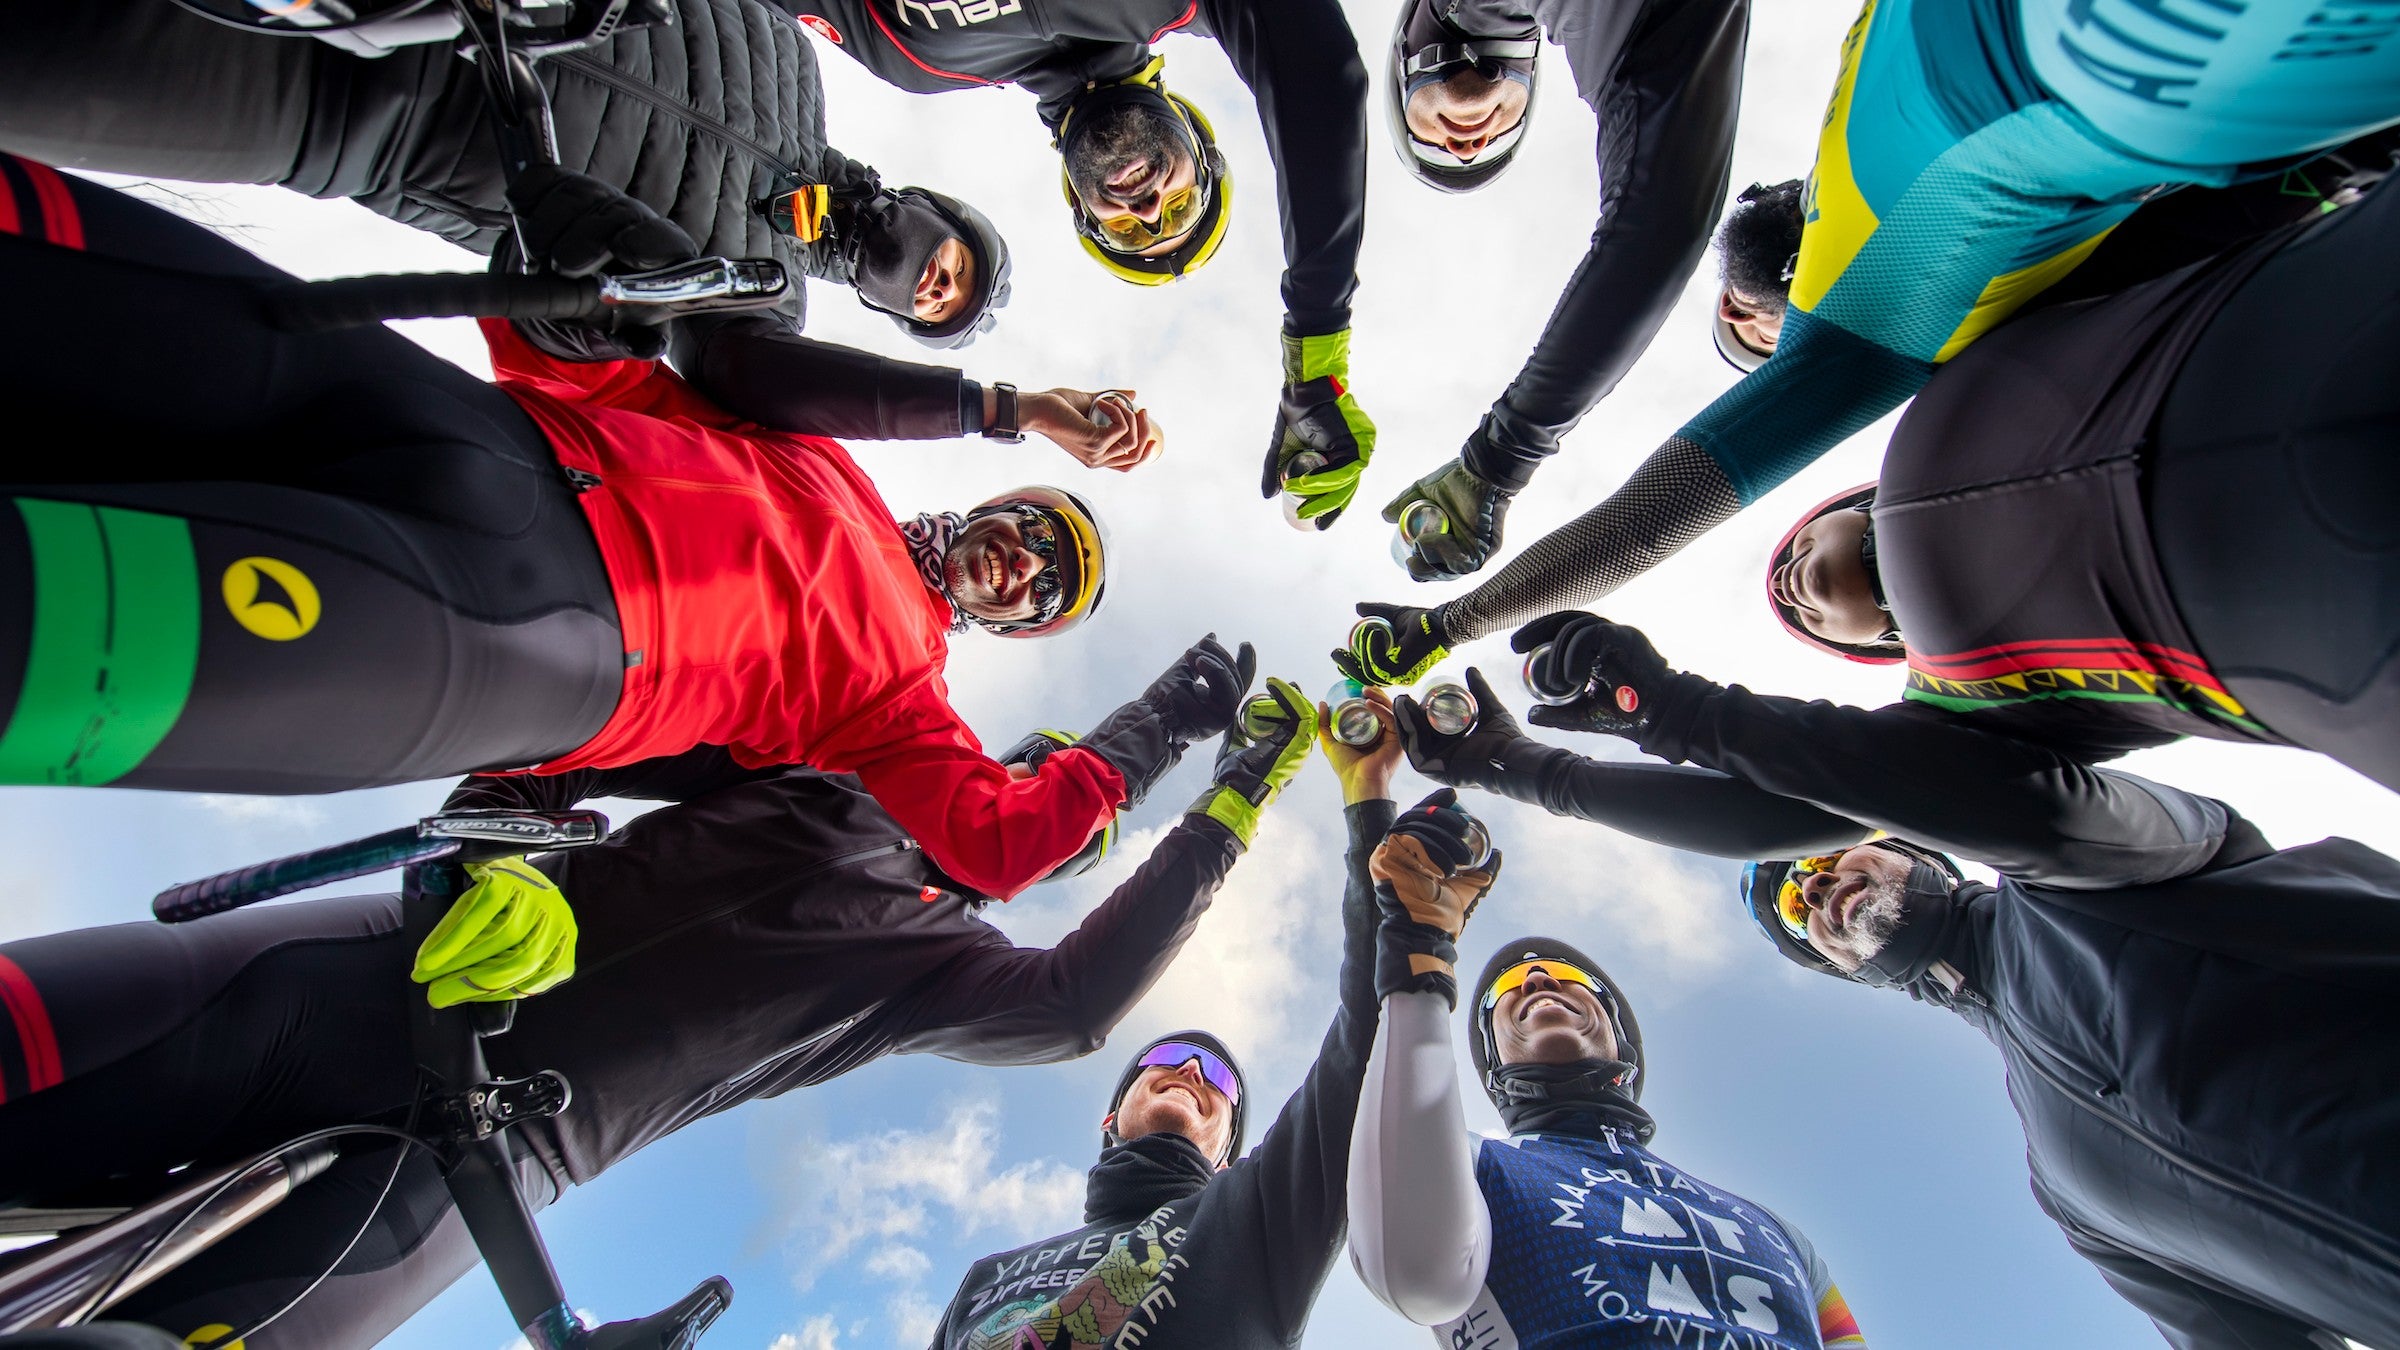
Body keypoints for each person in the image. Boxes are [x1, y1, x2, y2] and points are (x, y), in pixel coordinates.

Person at [0, 640, 1307, 1350]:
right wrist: (508, 824)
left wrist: (1212, 781)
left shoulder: (938, 971)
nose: (1033, 836)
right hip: (358, 971)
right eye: (1031, 802)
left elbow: (1080, 1003)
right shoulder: (824, 762)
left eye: (1059, 849)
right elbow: (602, 722)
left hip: (477, 1167)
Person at [0, 165, 1142, 900]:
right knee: (81, 298)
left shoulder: (904, 699)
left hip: (535, 641)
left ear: (1012, 620)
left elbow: (995, 847)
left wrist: (1156, 736)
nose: (1027, 562)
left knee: (50, 620)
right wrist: (572, 299)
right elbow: (615, 383)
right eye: (1037, 533)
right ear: (1001, 503)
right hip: (476, 436)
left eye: (1045, 586)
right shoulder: (827, 460)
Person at [1335, 0, 2400, 687]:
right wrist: (1460, 620)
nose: (1745, 312)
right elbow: (1647, 526)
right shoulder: (1860, 343)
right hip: (2171, 67)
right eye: (1747, 340)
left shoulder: (1843, 103)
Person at [1388, 627, 2400, 1349]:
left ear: (1918, 845)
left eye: (1830, 854)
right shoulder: (2076, 1191)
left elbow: (1995, 800)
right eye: (1796, 910)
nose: (1818, 883)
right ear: (1843, 970)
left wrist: (1627, 734)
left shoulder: (2116, 871)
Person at [1755, 170, 2400, 787]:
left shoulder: (1949, 377)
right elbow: (1835, 807)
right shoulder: (1958, 709)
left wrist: (2334, 160)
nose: (1786, 589)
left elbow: (2168, 239)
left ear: (1850, 503)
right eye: (1805, 625)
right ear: (1876, 648)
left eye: (1790, 549)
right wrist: (1664, 712)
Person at [0, 0, 1016, 364]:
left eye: (937, 305)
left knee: (44, 67)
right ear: (939, 208)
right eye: (957, 264)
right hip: (422, 2)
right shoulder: (789, 54)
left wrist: (585, 322)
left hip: (350, 123)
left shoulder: (763, 304)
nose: (936, 280)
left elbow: (572, 347)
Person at [779, 0, 1380, 527]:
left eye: (1123, 231)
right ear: (1198, 145)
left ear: (1079, 200)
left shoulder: (910, 58)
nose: (1148, 211)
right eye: (1181, 207)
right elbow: (1319, 77)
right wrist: (1317, 346)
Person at [924, 682, 1379, 1349]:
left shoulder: (1257, 1223)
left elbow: (1365, 1047)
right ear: (1109, 1121)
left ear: (1228, 1159)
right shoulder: (985, 1278)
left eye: (1220, 1085)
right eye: (1163, 1062)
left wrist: (1370, 805)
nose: (1192, 1067)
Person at [1343, 778, 1870, 1348]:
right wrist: (1418, 951)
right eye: (1508, 991)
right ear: (1494, 1063)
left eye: (1572, 980)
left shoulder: (1785, 1237)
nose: (1539, 977)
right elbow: (1416, 1276)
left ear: (1622, 1040)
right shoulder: (1471, 1160)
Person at [1380, 0, 1752, 580]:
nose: (1468, 146)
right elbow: (1657, 228)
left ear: (1404, 61)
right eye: (1499, 137)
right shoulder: (1647, 48)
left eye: (1429, 141)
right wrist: (1496, 464)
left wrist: (1499, 458)